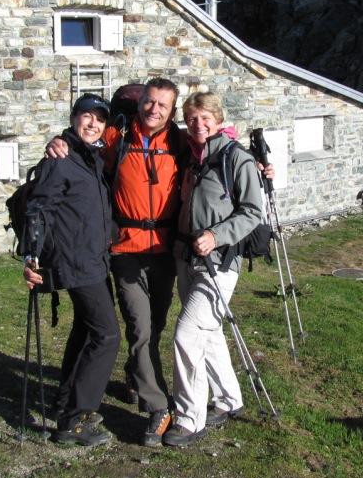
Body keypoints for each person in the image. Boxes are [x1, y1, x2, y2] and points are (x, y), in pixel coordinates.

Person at [47, 78, 184, 447]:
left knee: (154, 327)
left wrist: (258, 170)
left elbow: (214, 154)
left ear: (172, 112)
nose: (153, 110)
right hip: (125, 249)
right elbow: (82, 138)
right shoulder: (116, 137)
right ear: (140, 102)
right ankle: (159, 406)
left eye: (162, 106)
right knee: (138, 328)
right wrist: (59, 138)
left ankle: (136, 380)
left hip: (164, 250)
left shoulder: (180, 143)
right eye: (149, 102)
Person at [162, 91, 266, 447]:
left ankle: (190, 419)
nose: (198, 124)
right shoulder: (190, 157)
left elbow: (253, 211)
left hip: (219, 261)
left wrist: (215, 235)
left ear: (219, 121)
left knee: (187, 335)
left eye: (206, 117)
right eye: (192, 118)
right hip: (187, 257)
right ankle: (228, 399)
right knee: (208, 332)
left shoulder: (236, 158)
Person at [24, 93, 120, 446]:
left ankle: (65, 404)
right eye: (87, 117)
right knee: (107, 336)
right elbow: (38, 209)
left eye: (100, 119)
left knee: (84, 333)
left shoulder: (89, 157)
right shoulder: (60, 159)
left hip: (94, 259)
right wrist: (30, 257)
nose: (93, 124)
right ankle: (74, 420)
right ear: (74, 117)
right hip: (75, 262)